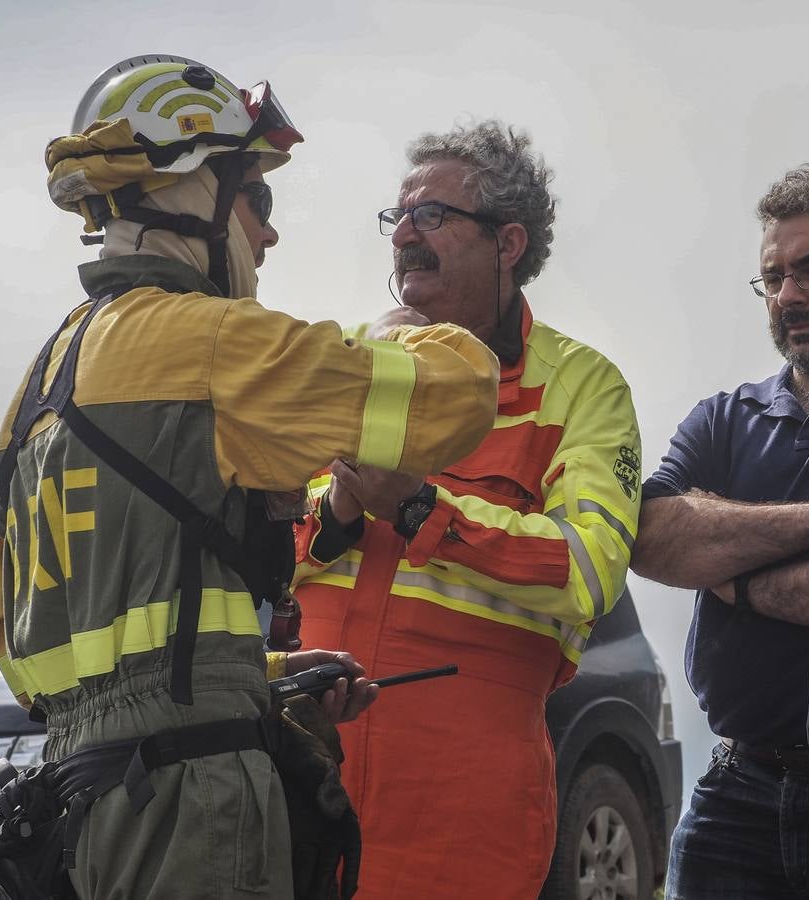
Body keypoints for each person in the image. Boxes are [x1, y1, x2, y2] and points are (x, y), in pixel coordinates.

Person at [0, 54, 499, 899]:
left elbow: (28, 660)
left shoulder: (35, 389)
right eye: (255, 195)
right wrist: (401, 325)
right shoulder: (216, 341)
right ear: (192, 187)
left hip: (80, 808)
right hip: (192, 800)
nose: (267, 231)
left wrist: (253, 677)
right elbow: (458, 399)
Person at [291, 120, 642, 900]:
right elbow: (253, 534)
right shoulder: (348, 359)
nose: (405, 235)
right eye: (398, 218)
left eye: (432, 216)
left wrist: (420, 509)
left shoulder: (582, 385)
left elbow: (587, 569)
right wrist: (340, 507)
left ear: (507, 242)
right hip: (302, 766)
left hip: (465, 798)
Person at [631, 162, 809, 899]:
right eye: (772, 278)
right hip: (734, 793)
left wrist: (725, 574)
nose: (789, 296)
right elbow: (652, 537)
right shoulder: (724, 418)